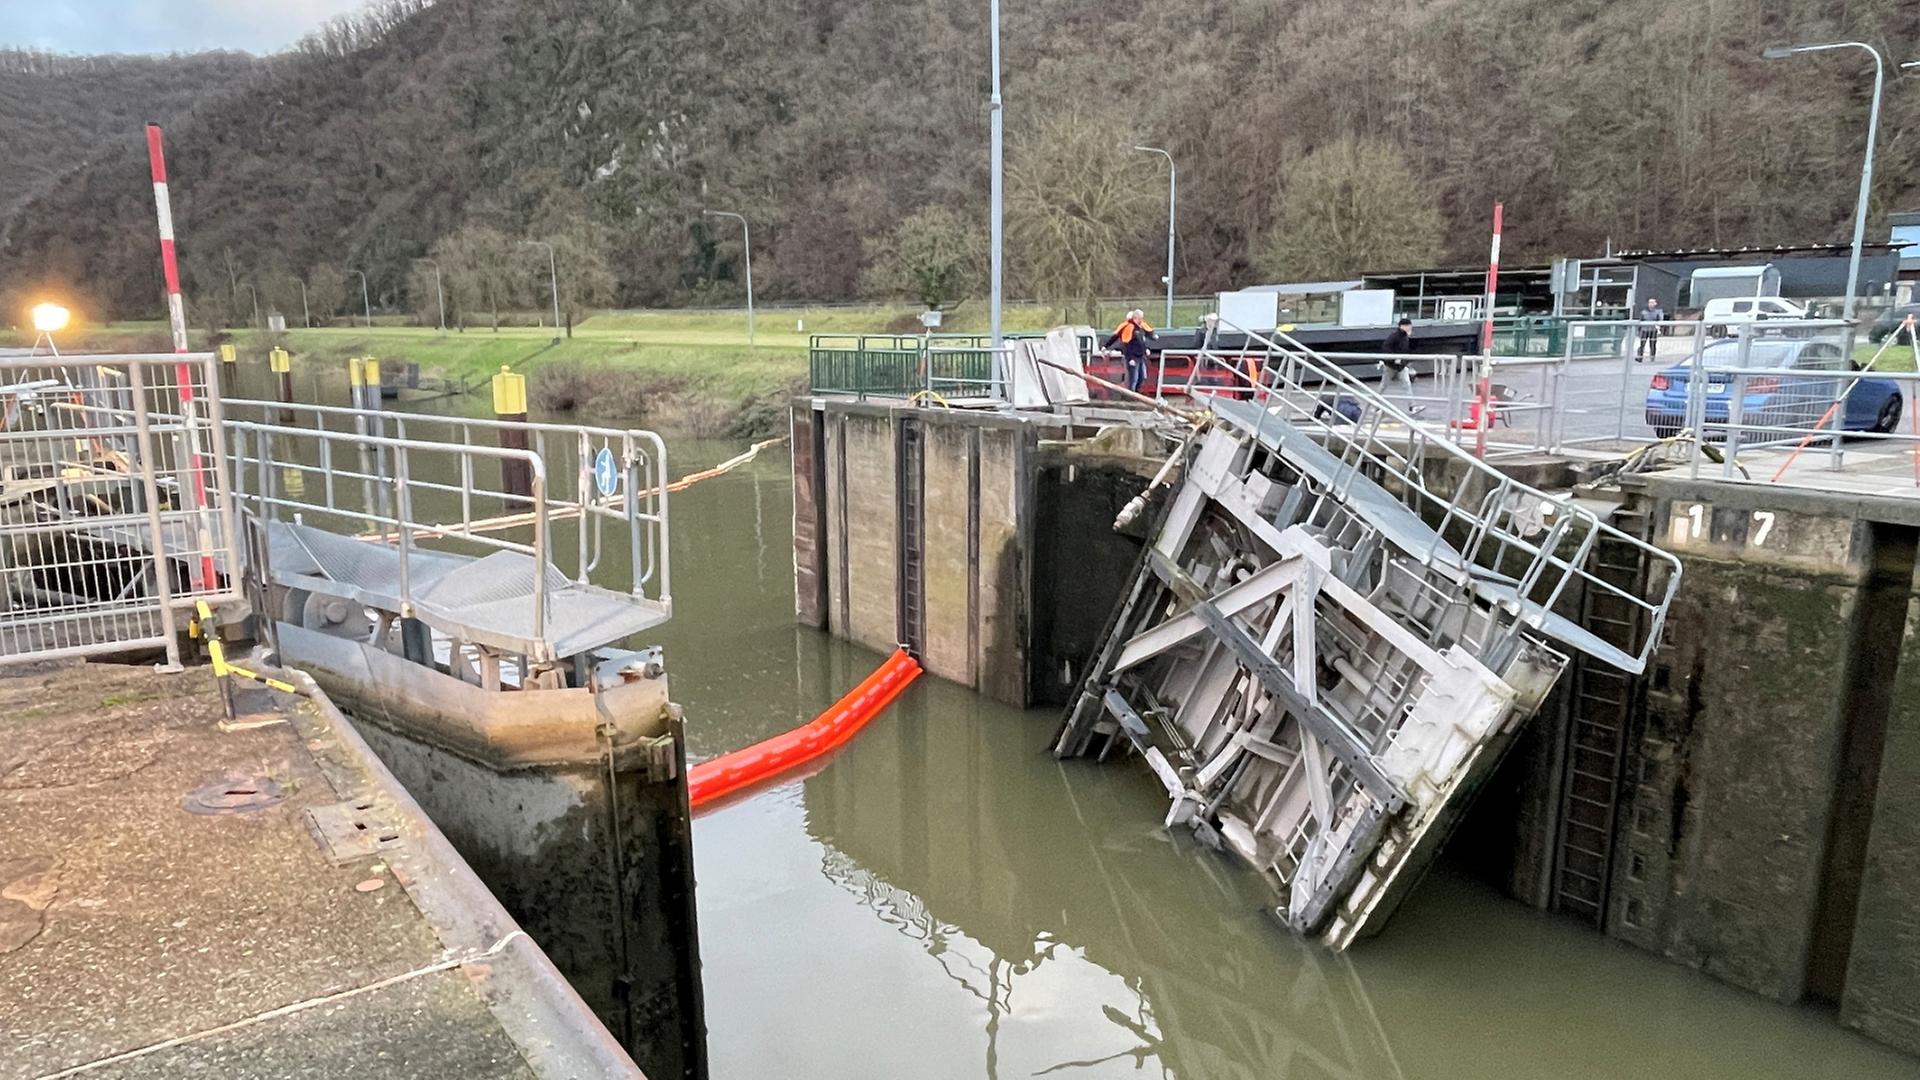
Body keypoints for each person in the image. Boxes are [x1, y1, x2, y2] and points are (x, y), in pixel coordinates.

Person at [1103, 309, 1158, 394]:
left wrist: (1146, 348)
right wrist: (1130, 358)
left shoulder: (1140, 327)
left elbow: (1142, 340)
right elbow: (1125, 343)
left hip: (1140, 356)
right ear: (1135, 318)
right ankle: (1131, 395)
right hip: (1133, 357)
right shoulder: (1129, 327)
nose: (1141, 320)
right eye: (1140, 318)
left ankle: (1136, 392)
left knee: (1142, 376)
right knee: (1134, 378)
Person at [1380, 318, 1415, 396]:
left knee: (1407, 384)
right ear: (1402, 326)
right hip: (1391, 365)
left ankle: (1412, 405)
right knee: (1383, 386)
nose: (1410, 328)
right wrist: (1394, 359)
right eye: (1408, 326)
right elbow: (1386, 348)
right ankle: (1374, 405)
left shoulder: (1405, 337)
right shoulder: (1395, 336)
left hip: (1401, 365)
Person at [1636, 297, 1665, 362]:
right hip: (1644, 330)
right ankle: (1640, 357)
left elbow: (1660, 320)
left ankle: (1652, 357)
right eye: (1650, 302)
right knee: (1642, 344)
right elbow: (1640, 321)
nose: (1651, 304)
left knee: (1653, 344)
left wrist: (1659, 329)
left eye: (1653, 302)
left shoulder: (1658, 312)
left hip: (1653, 330)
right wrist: (1638, 331)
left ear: (1655, 304)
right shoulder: (1643, 312)